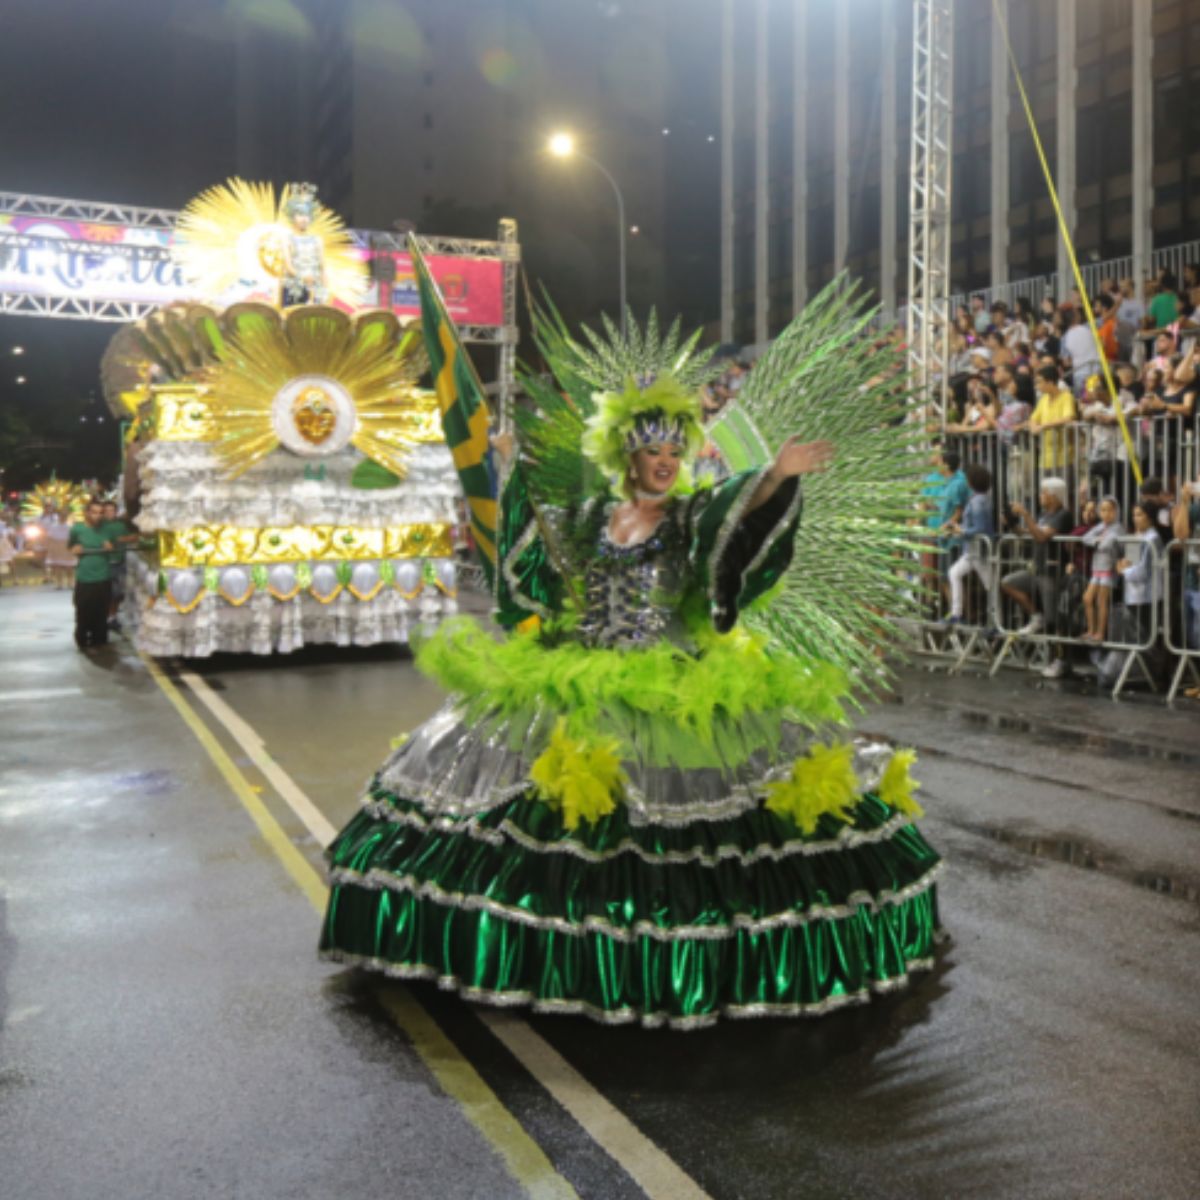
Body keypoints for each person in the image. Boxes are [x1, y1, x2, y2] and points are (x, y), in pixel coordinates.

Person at [319, 304, 943, 1027]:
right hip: (577, 675)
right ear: (628, 455)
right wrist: (504, 469)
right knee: (543, 816)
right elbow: (531, 558)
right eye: (654, 452)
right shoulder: (589, 517)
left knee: (687, 826)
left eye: (676, 451)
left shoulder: (686, 518)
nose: (667, 461)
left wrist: (775, 475)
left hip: (666, 686)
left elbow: (733, 516)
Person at [1001, 478, 1074, 636]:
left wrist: (1026, 515)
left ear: (1054, 496)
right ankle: (1036, 616)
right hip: (1037, 570)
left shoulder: (1064, 515)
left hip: (1052, 572)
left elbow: (1041, 537)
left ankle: (1059, 653)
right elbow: (1029, 534)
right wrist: (1012, 524)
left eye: (1044, 493)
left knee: (1053, 617)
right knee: (1008, 583)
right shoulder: (1043, 515)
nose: (1040, 495)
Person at [944, 463, 995, 627]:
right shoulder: (979, 499)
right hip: (972, 551)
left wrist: (962, 530)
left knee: (990, 585)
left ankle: (995, 622)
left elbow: (980, 528)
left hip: (979, 551)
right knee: (954, 573)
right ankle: (956, 614)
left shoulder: (978, 501)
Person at [67, 499, 114, 651]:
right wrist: (75, 548)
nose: (97, 516)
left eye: (100, 513)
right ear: (87, 513)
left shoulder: (107, 529)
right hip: (85, 577)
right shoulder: (77, 529)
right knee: (83, 609)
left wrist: (110, 546)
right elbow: (70, 546)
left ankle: (99, 639)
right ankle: (82, 639)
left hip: (103, 576)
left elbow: (118, 541)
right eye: (94, 512)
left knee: (102, 610)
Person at [1080, 497, 1123, 643]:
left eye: (1110, 510)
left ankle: (1100, 633)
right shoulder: (1101, 526)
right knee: (1087, 598)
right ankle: (1091, 630)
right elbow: (1085, 538)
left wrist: (1098, 542)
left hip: (1109, 568)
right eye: (1103, 510)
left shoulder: (1118, 528)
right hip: (1097, 567)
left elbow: (1113, 545)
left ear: (1116, 511)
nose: (1106, 514)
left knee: (1101, 601)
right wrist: (1095, 541)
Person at [1029, 365, 1077, 491]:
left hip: (1063, 458)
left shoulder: (1066, 397)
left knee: (1063, 496)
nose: (1036, 386)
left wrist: (1043, 426)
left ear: (1050, 382)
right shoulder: (1043, 399)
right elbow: (1034, 418)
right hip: (1045, 459)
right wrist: (1034, 426)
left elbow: (1068, 418)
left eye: (1039, 382)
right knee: (1045, 496)